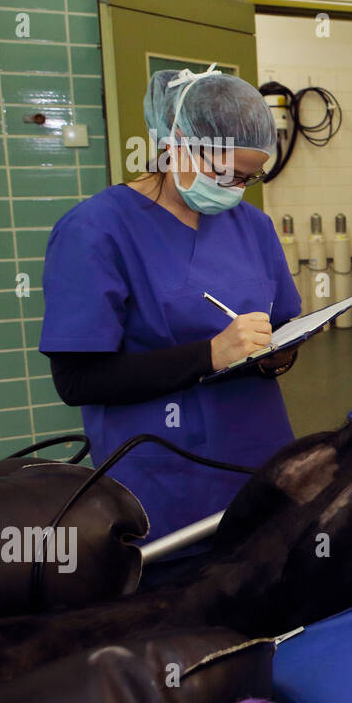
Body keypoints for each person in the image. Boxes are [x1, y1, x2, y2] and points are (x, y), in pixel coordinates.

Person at [39, 66, 303, 541]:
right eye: (224, 170)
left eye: (249, 176)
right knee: (173, 601)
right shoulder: (95, 231)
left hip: (258, 457)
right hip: (161, 474)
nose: (236, 188)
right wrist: (210, 355)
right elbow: (77, 379)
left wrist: (279, 356)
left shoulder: (254, 227)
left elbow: (280, 323)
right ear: (176, 141)